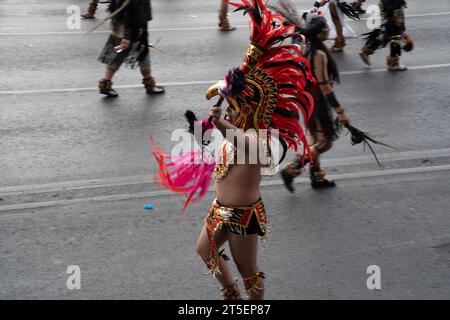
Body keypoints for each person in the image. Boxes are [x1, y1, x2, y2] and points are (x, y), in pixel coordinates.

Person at [151, 0, 314, 299]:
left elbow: (249, 147)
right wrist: (200, 129)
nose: (232, 111)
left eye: (238, 106)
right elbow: (216, 152)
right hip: (219, 209)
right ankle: (230, 294)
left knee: (249, 272)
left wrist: (221, 123)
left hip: (243, 215)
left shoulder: (265, 140)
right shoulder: (232, 131)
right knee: (205, 251)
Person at [281, 15, 351, 191]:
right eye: (325, 28)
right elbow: (324, 86)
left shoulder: (306, 48)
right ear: (319, 33)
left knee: (315, 139)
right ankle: (291, 170)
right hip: (316, 101)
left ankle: (317, 177)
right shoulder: (319, 54)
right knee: (324, 143)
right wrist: (340, 111)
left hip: (306, 99)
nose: (328, 30)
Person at [97, 0, 164, 97]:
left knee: (116, 56)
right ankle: (150, 86)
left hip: (120, 26)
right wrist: (127, 36)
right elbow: (132, 12)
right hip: (133, 30)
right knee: (142, 56)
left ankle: (105, 84)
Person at [359, 0, 413, 71]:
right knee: (395, 33)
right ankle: (393, 64)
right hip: (393, 5)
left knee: (388, 32)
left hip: (387, 5)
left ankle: (367, 50)